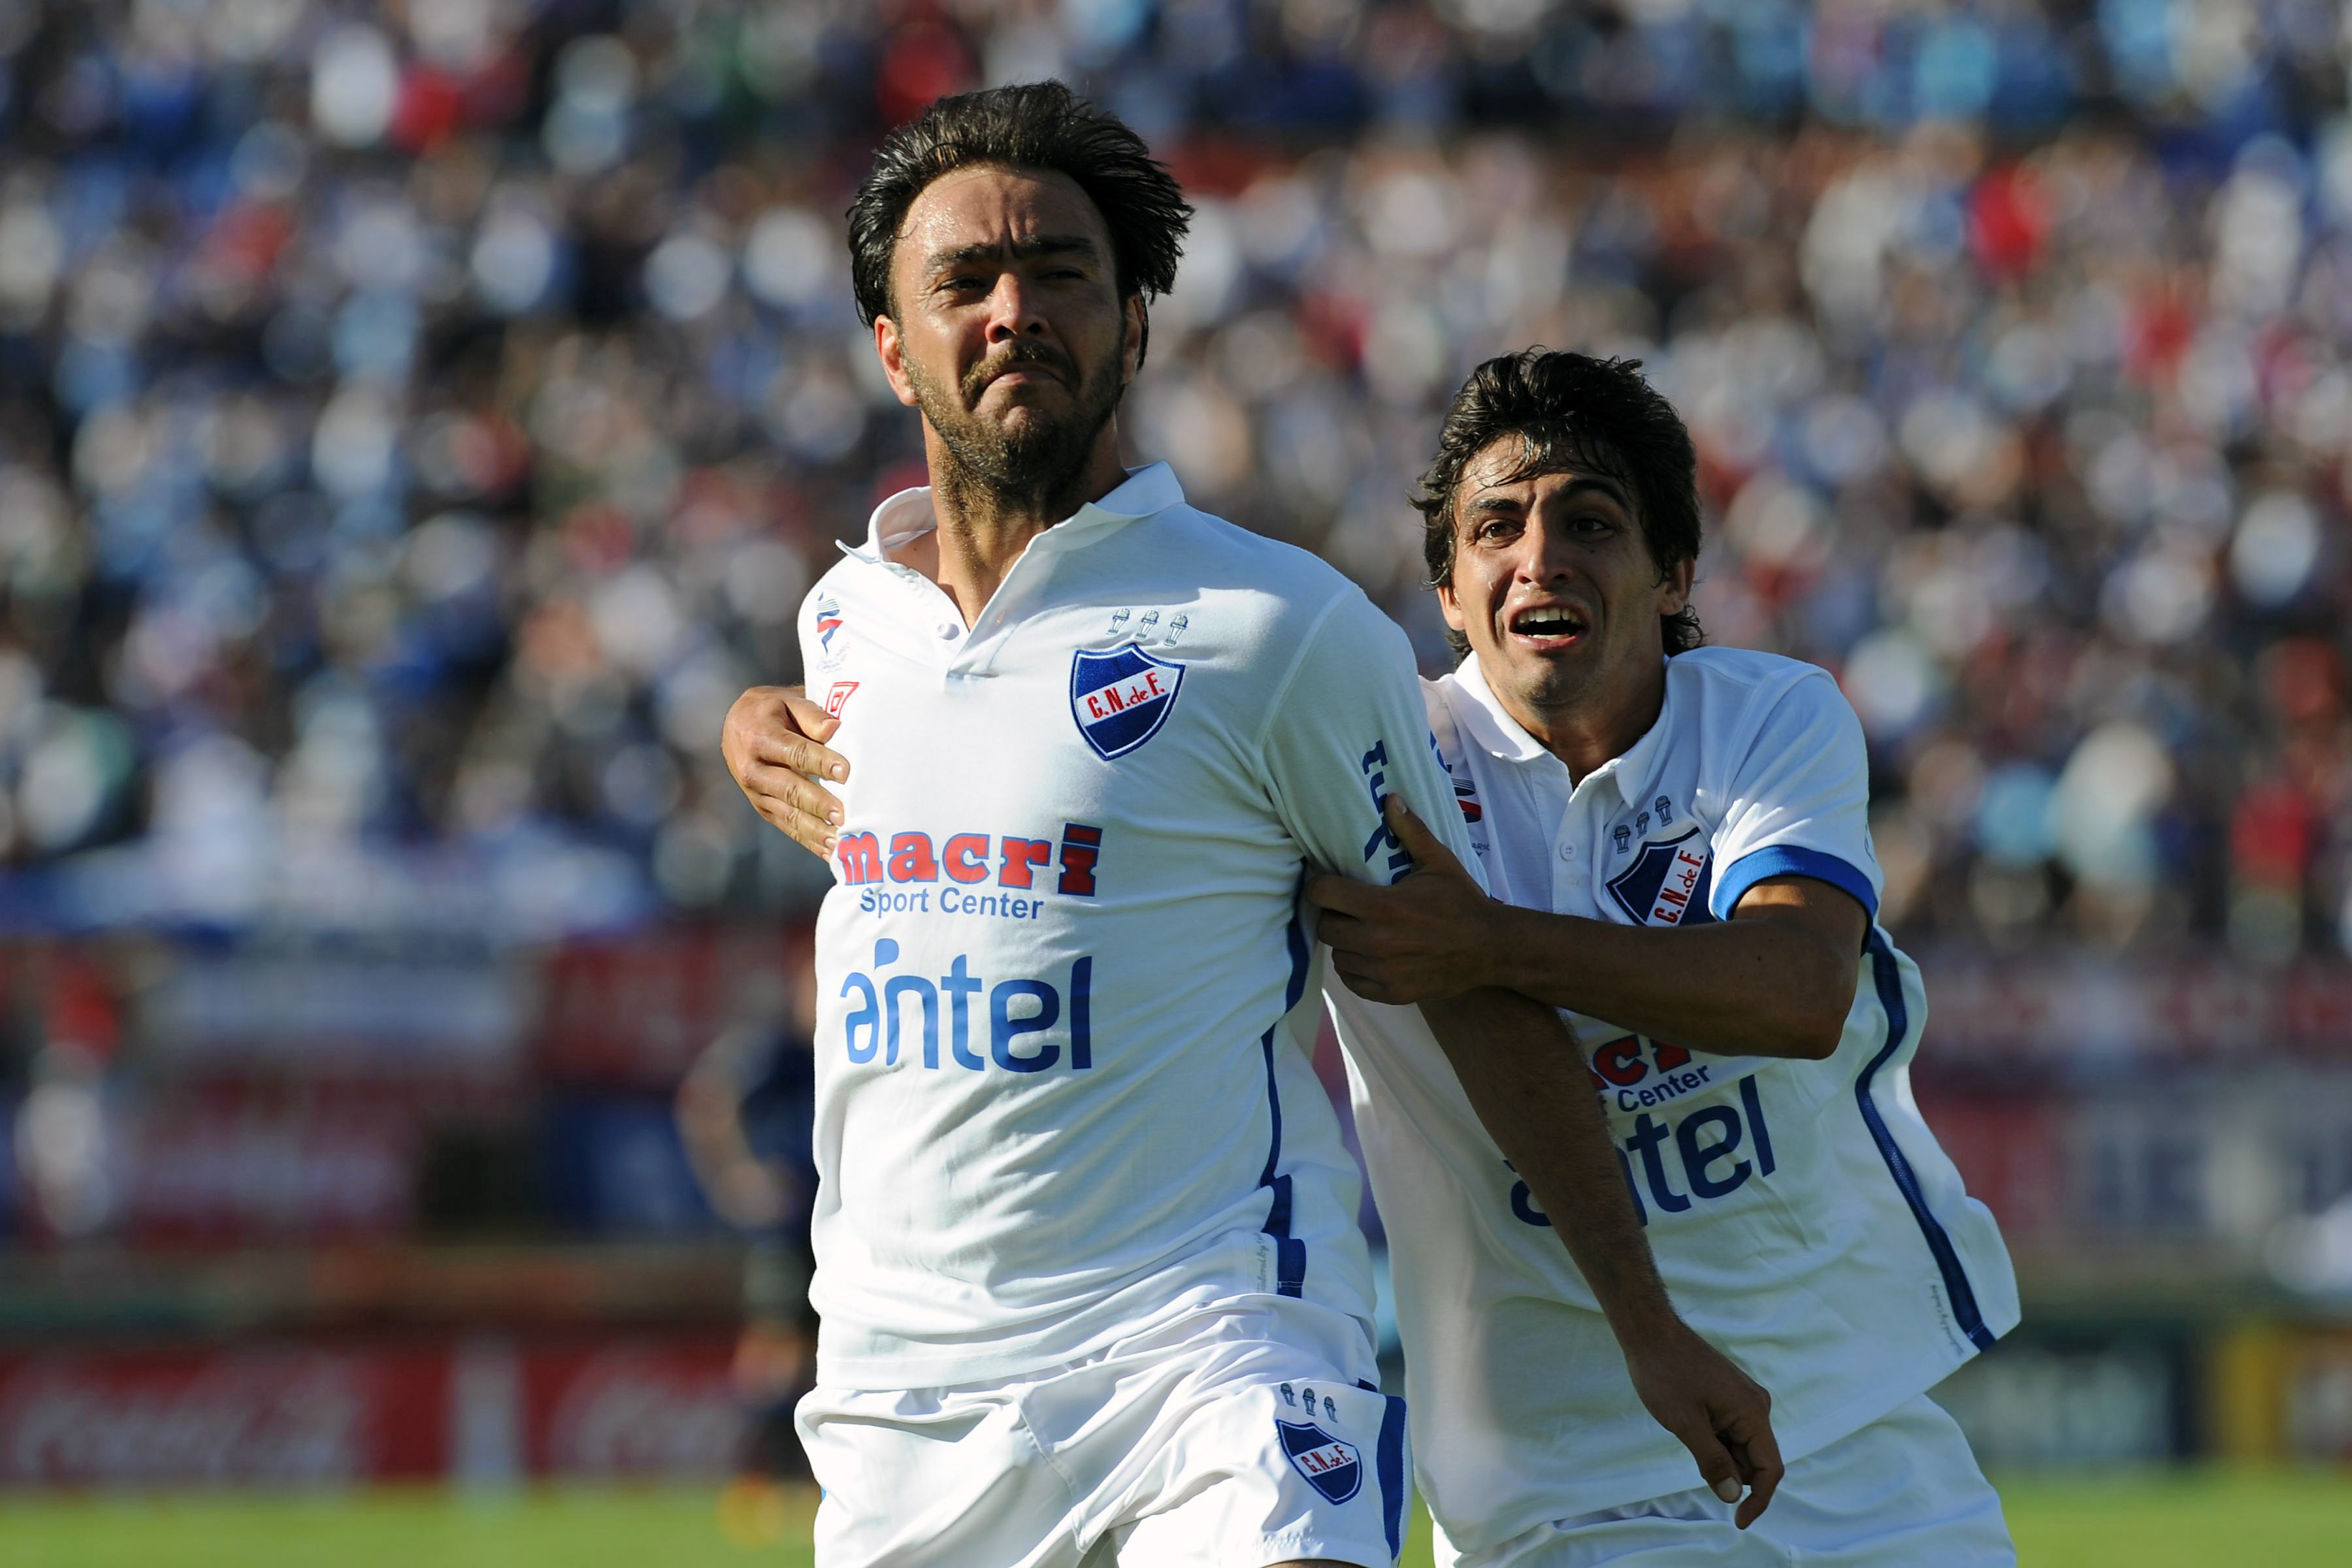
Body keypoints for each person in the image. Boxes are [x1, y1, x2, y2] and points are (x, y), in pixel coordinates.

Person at [732, 82, 1776, 1568]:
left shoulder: (1268, 624)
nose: (1015, 310)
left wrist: (1645, 1324)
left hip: (1208, 1352)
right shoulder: (847, 622)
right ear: (893, 345)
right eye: (965, 281)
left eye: (1062, 274)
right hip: (909, 1397)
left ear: (1136, 322)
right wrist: (735, 725)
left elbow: (1459, 966)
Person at [1304, 349, 2020, 1565]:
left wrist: (1487, 940)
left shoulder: (1767, 717)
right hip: (1560, 1481)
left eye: (1590, 521)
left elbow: (1796, 991)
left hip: (1854, 1427)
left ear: (1672, 571)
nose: (1542, 557)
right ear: (1449, 589)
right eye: (1497, 528)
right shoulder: (1381, 759)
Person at [675, 966, 821, 1511]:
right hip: (789, 1227)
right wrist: (736, 1177)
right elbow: (708, 1099)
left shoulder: (854, 1043)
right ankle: (759, 1473)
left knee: (818, 1350)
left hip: (845, 1224)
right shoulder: (778, 1052)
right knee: (776, 1344)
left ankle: (802, 1477)